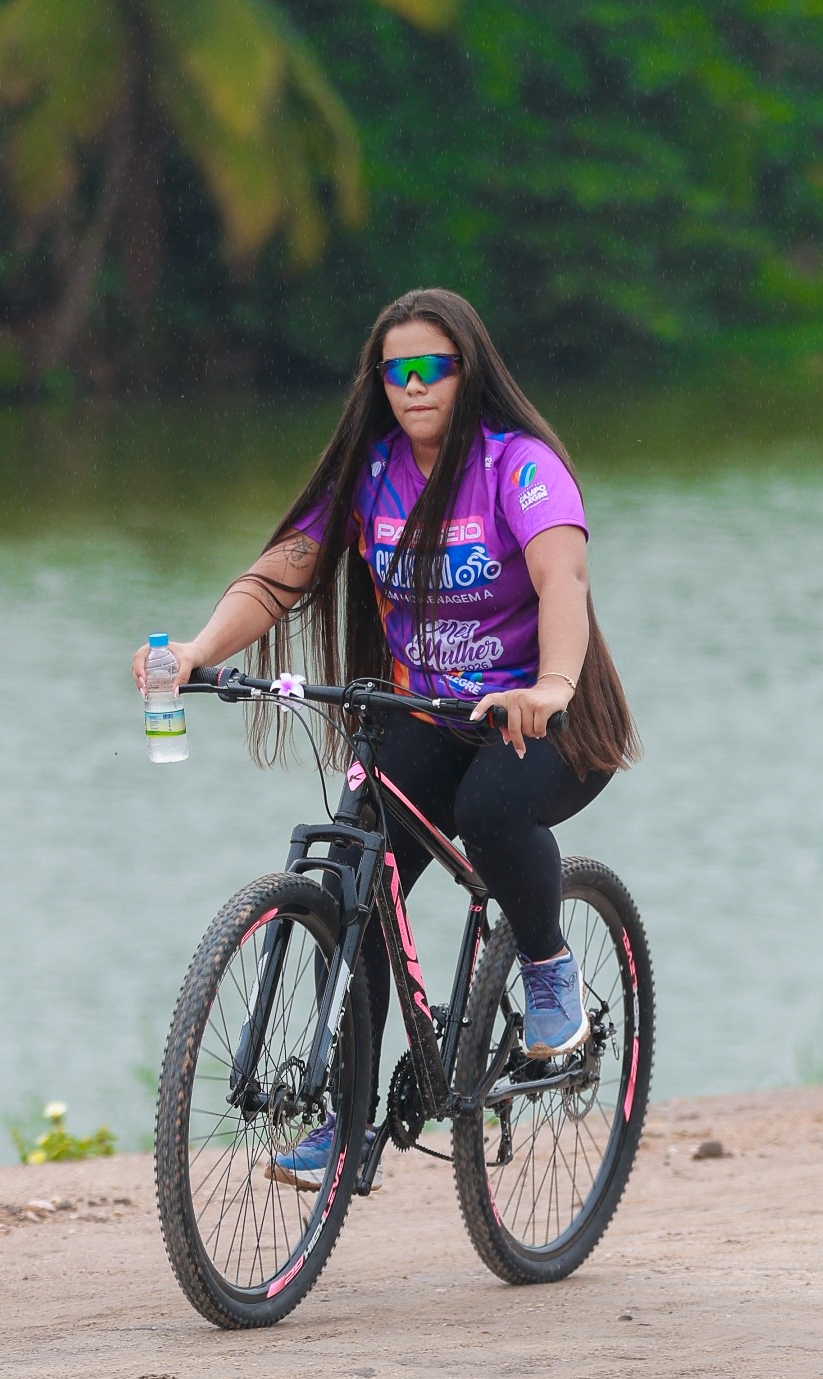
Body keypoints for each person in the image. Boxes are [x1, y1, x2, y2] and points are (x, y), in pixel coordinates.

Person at [132, 287, 639, 1192]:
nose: (411, 386)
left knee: (491, 809)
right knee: (349, 882)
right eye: (393, 371)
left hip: (548, 723)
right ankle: (347, 1118)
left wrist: (551, 687)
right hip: (429, 718)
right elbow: (285, 569)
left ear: (468, 373)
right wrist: (199, 651)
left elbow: (562, 580)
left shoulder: (518, 468)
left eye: (431, 368)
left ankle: (547, 969)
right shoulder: (371, 475)